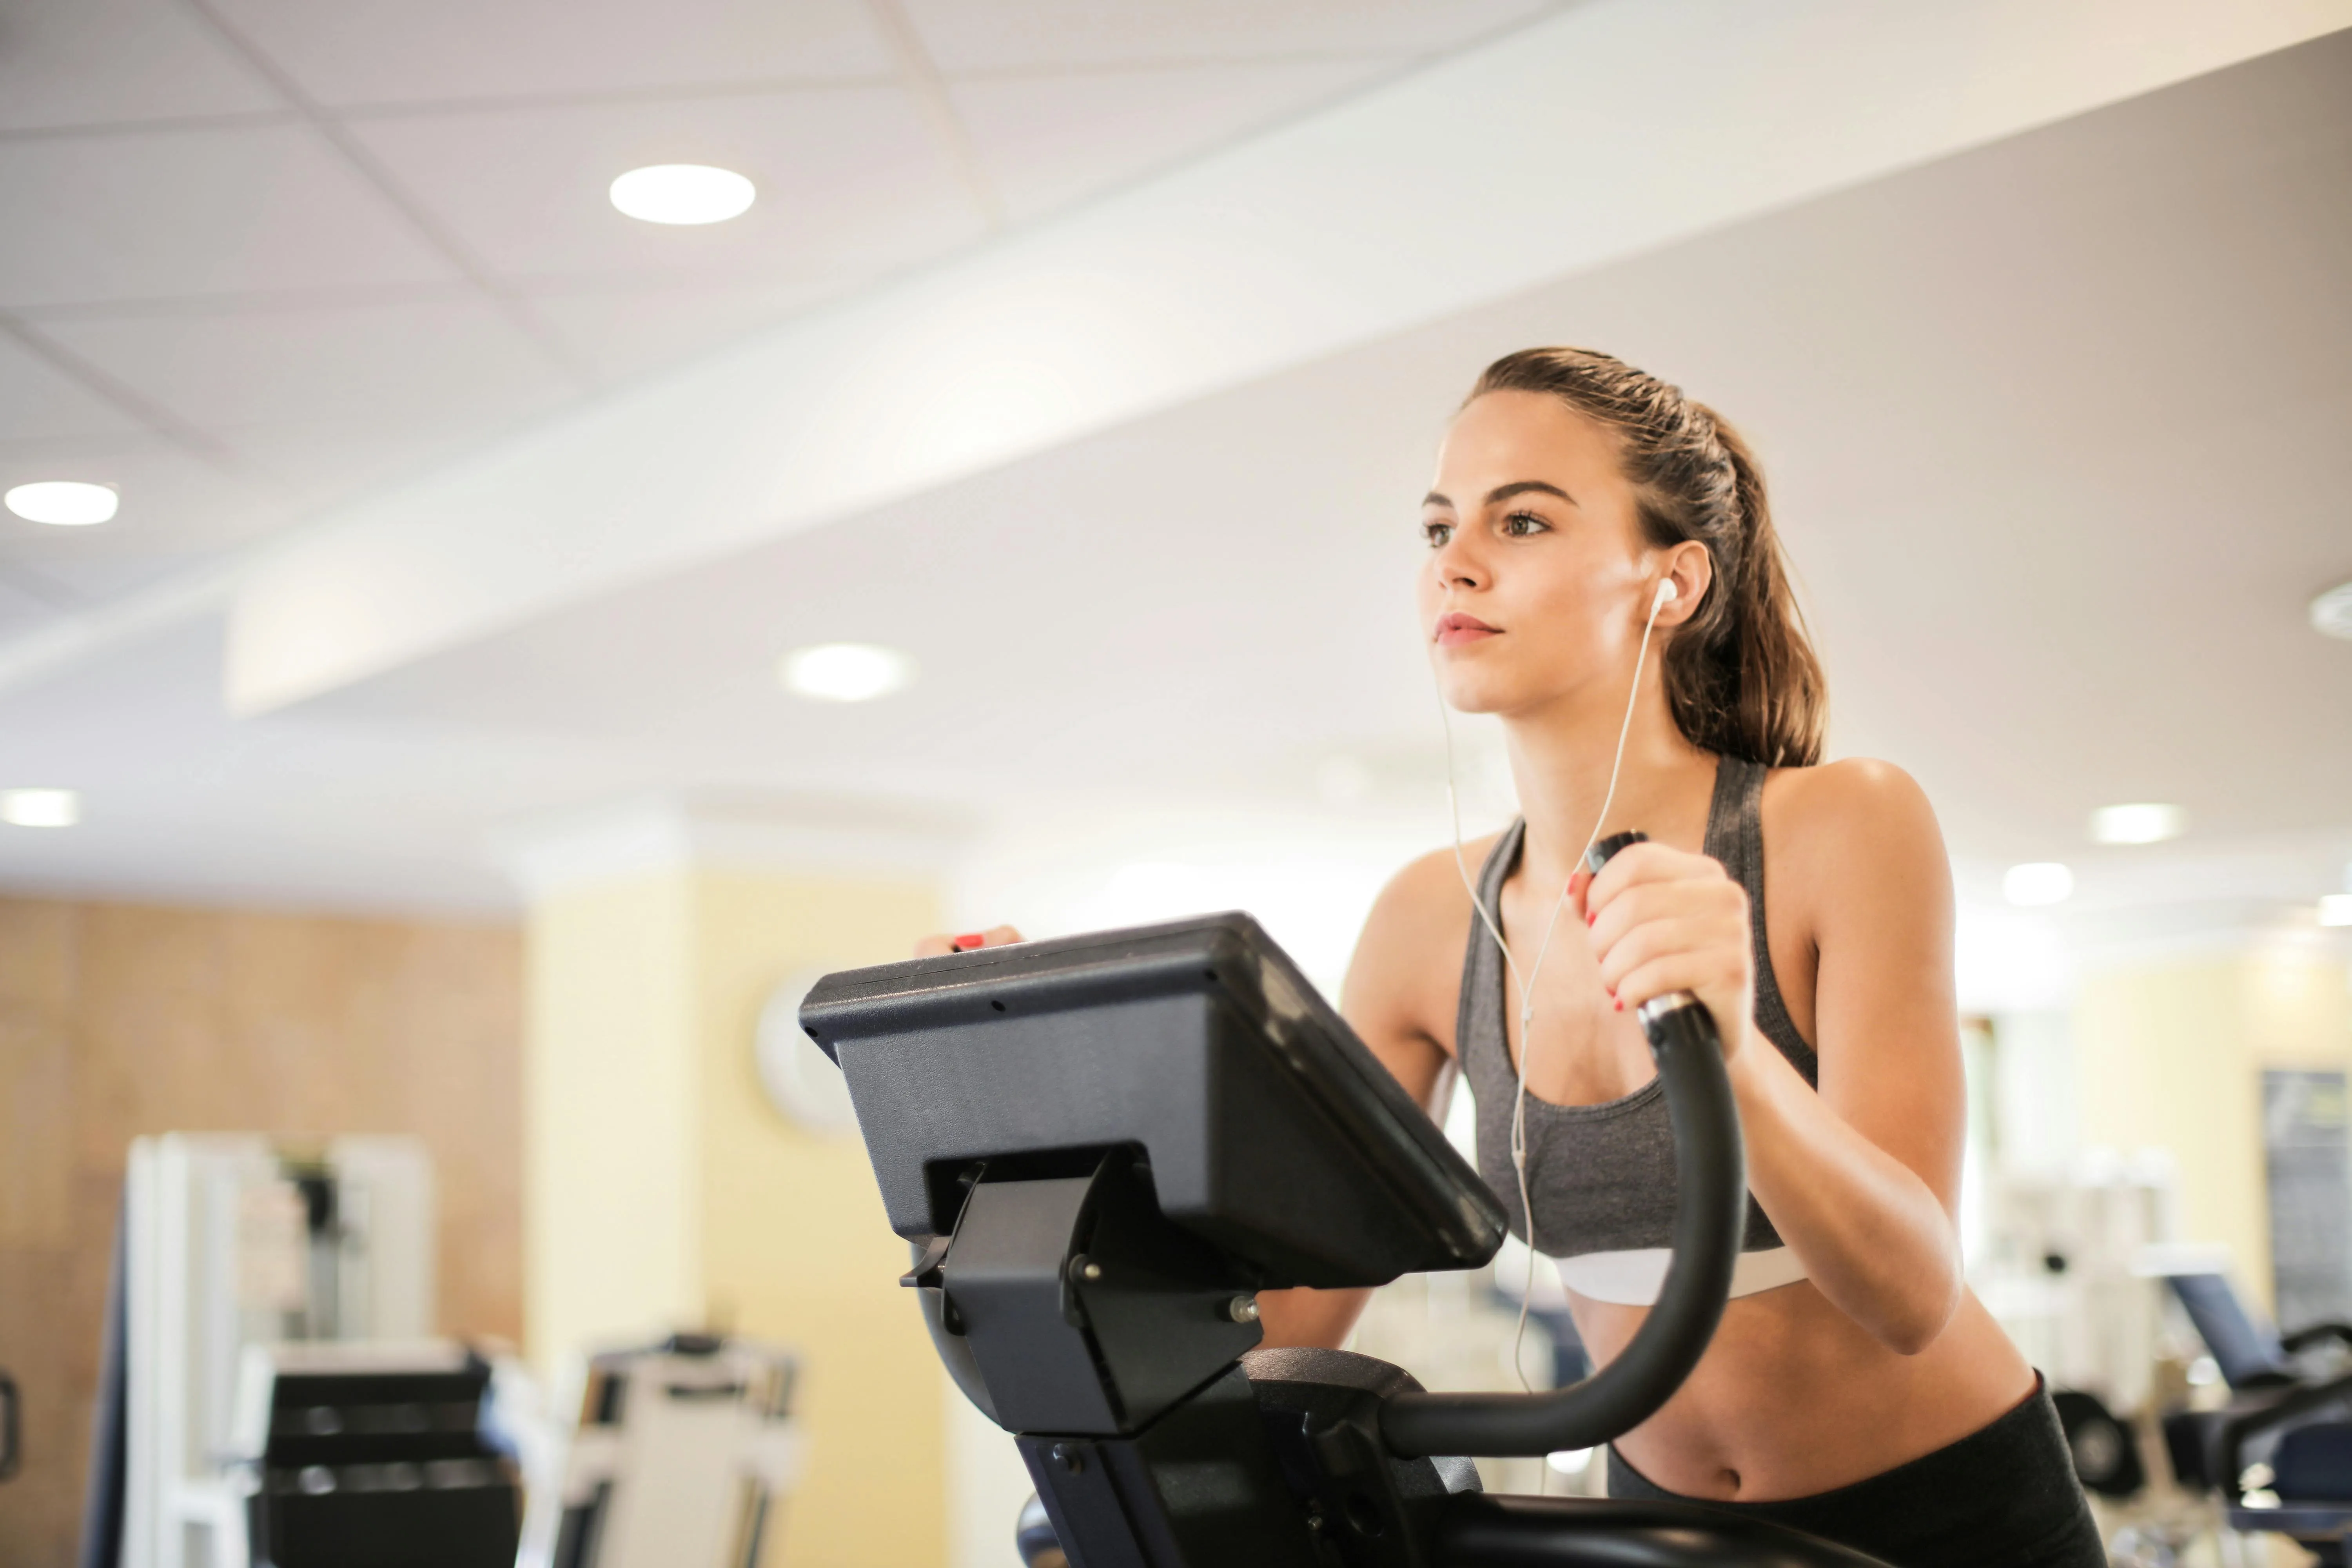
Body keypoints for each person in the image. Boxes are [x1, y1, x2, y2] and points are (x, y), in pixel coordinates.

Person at [918, 347, 2103, 1568]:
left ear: (1672, 581)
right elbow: (1288, 1321)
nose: (1455, 562)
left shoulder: (1839, 826)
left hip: (1952, 1513)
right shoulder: (1431, 918)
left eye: (1521, 519)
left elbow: (1912, 1296)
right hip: (1662, 1526)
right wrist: (1052, 1108)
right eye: (1438, 528)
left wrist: (1730, 1044)